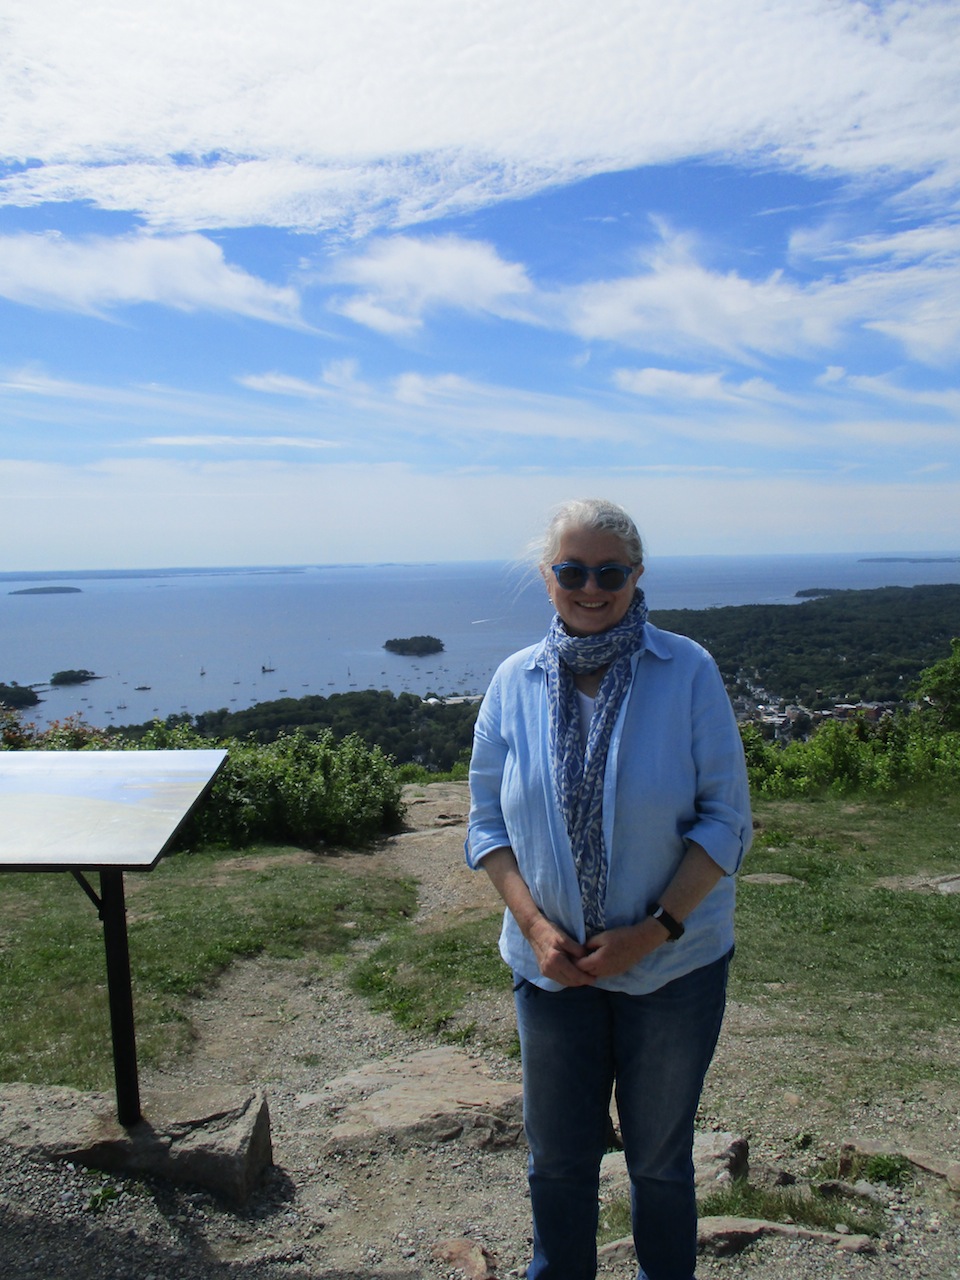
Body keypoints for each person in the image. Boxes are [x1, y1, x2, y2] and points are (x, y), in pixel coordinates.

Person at [465, 498, 752, 1280]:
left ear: (636, 576)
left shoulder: (686, 671)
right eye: (572, 572)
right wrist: (534, 927)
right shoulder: (513, 683)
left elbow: (727, 821)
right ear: (547, 577)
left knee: (658, 1162)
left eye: (610, 573)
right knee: (558, 1161)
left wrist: (652, 932)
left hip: (673, 967)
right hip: (551, 971)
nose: (590, 589)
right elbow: (486, 826)